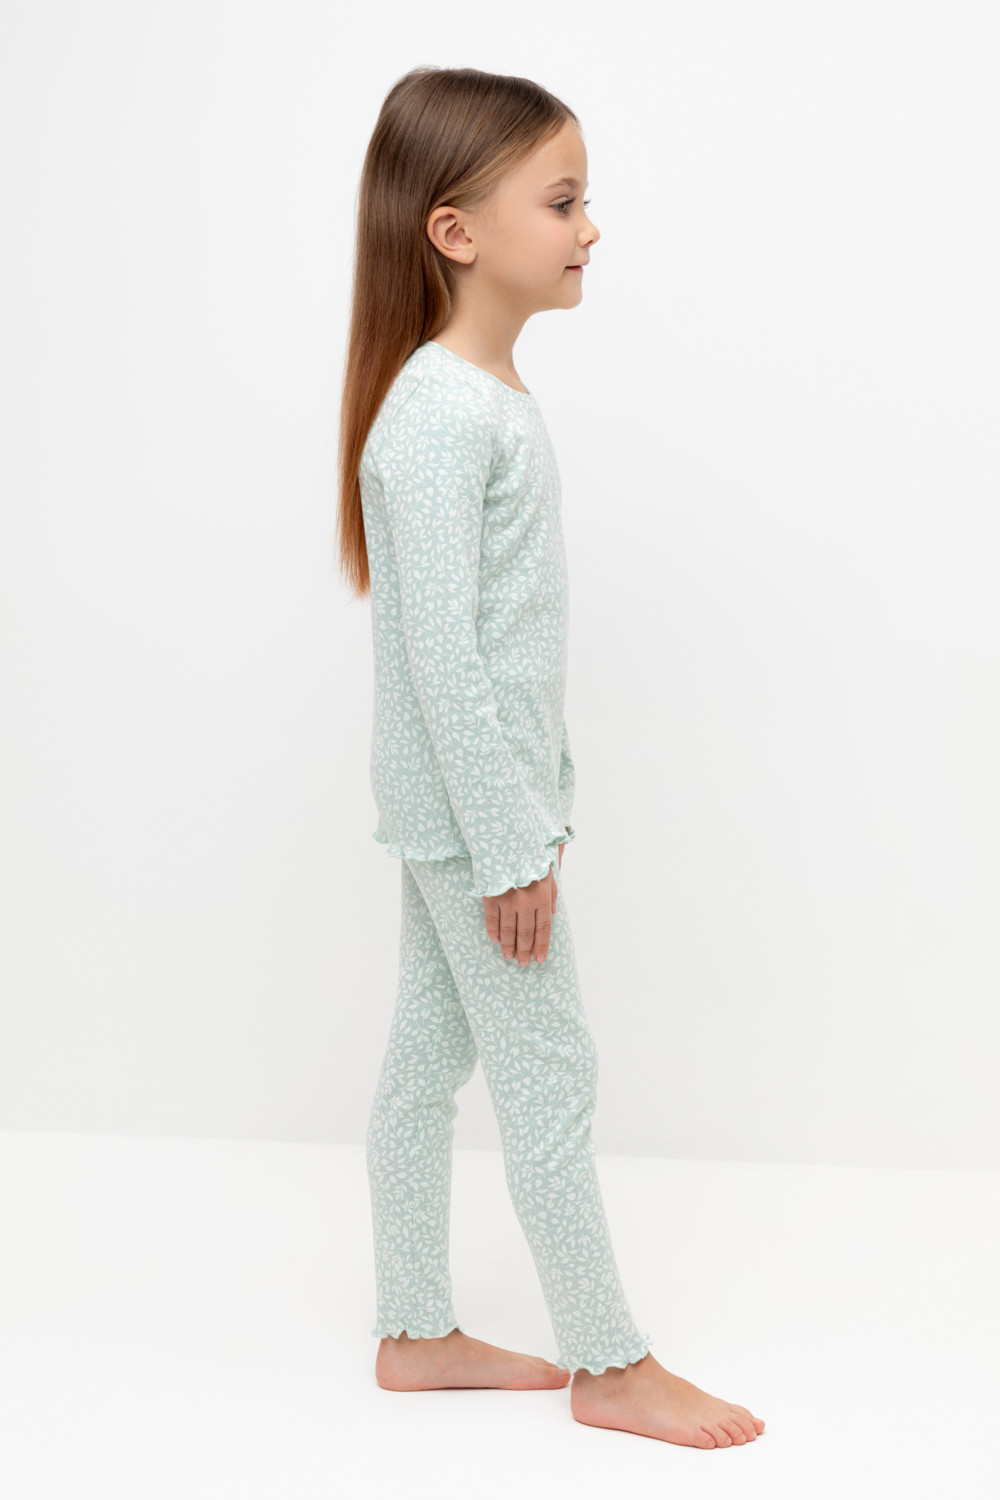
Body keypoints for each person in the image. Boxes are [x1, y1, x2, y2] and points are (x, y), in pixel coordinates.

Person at [336, 64, 765, 1450]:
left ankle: (415, 1331)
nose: (591, 228)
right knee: (549, 1068)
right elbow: (444, 660)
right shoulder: (441, 414)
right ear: (456, 232)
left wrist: (525, 810)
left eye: (586, 201)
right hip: (477, 823)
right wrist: (513, 844)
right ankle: (609, 1361)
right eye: (564, 201)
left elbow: (481, 648)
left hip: (467, 808)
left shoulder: (474, 398)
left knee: (426, 1060)